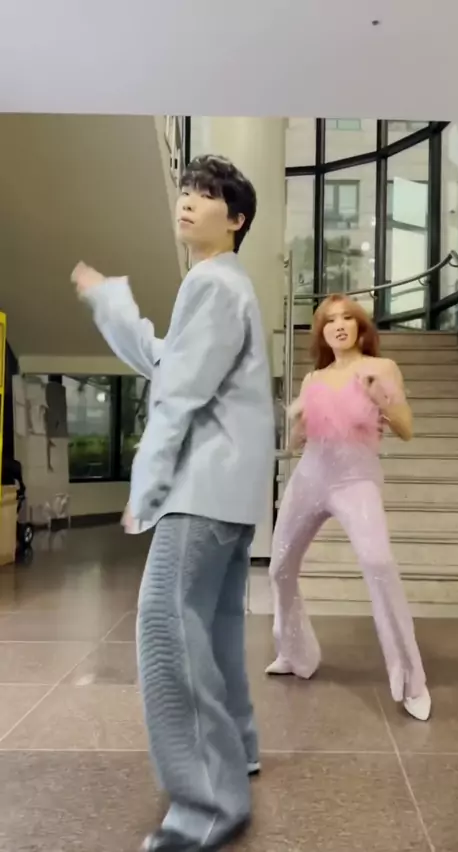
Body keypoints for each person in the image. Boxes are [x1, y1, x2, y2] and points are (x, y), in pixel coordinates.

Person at [71, 155, 274, 852]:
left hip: (202, 489)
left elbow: (178, 393)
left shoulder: (211, 283)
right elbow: (170, 363)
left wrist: (147, 488)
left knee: (165, 630)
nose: (188, 200)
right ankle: (237, 751)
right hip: (230, 492)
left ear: (236, 218)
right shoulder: (227, 284)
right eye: (185, 189)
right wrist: (110, 302)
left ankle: (209, 805)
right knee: (212, 631)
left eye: (207, 194)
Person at [266, 294, 431, 723]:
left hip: (356, 480)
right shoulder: (313, 378)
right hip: (310, 476)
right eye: (329, 320)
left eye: (347, 318)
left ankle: (411, 681)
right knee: (279, 567)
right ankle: (295, 653)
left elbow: (407, 429)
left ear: (360, 327)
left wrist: (380, 398)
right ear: (321, 332)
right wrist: (296, 427)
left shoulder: (381, 368)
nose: (338, 325)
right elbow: (298, 441)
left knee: (378, 562)